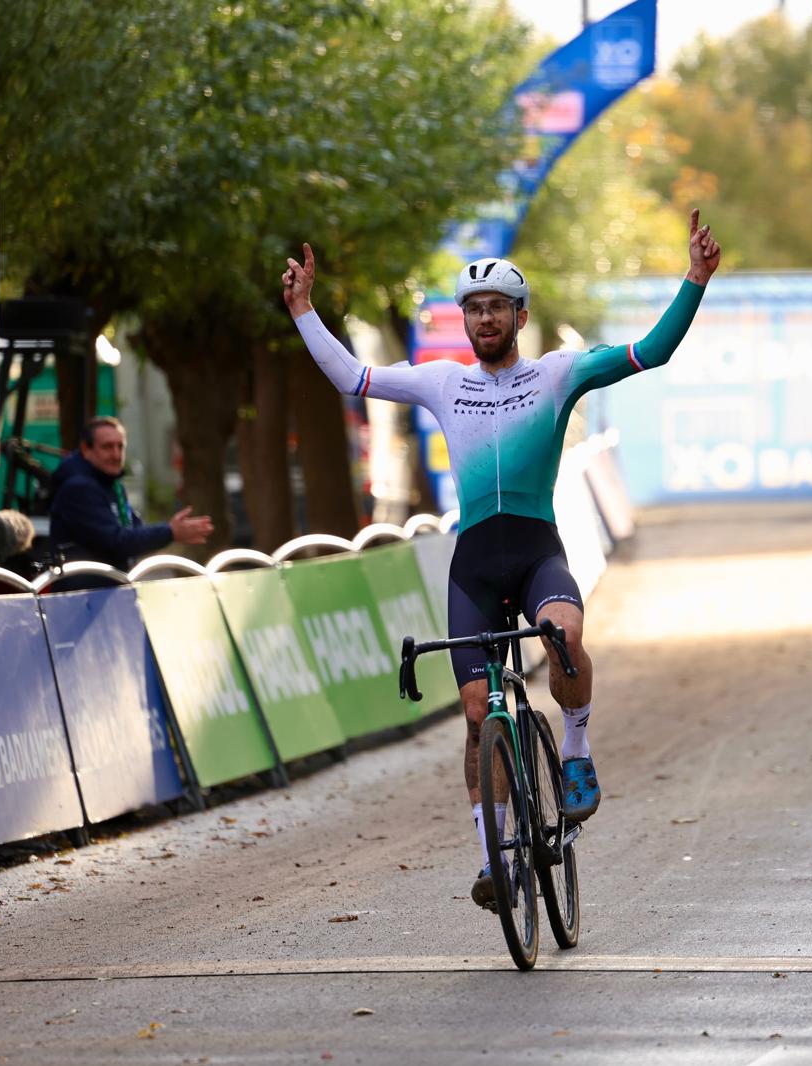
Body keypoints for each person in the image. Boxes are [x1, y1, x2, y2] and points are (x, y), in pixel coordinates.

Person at [282, 209, 722, 911]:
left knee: (566, 637)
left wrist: (695, 277)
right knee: (476, 712)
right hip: (476, 566)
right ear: (464, 319)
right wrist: (304, 311)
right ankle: (493, 857)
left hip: (537, 551)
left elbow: (652, 351)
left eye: (497, 307)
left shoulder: (558, 374)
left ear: (520, 316)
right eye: (474, 308)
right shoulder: (441, 382)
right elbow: (351, 377)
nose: (484, 318)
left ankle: (575, 750)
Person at [48, 416, 213, 573]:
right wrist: (170, 532)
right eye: (107, 447)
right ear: (86, 449)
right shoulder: (79, 488)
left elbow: (134, 535)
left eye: (120, 447)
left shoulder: (112, 485)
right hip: (84, 590)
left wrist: (169, 531)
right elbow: (116, 542)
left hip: (108, 587)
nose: (116, 455)